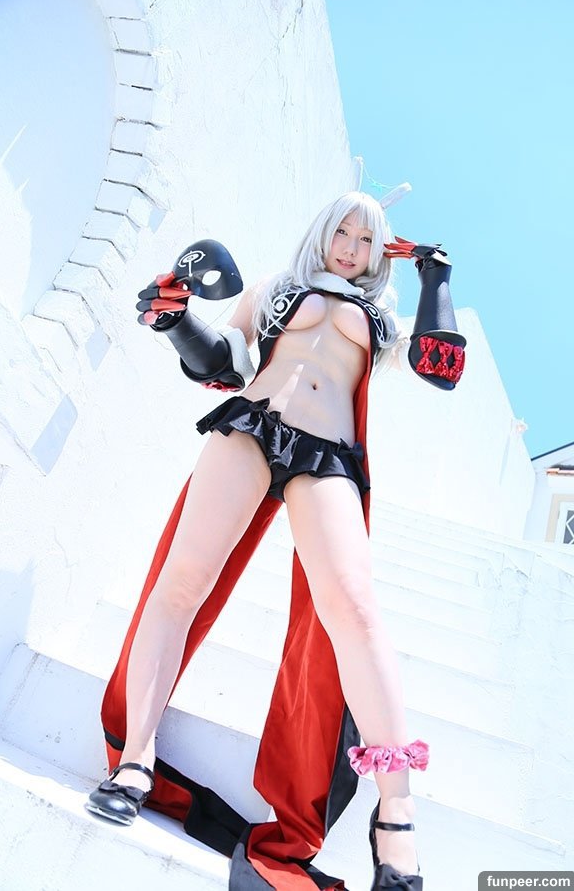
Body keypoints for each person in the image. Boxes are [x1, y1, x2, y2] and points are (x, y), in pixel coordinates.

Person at [85, 191, 465, 891]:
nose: (350, 248)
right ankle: (135, 758)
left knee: (355, 612)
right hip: (251, 429)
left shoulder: (382, 317)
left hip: (328, 456)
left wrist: (435, 276)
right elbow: (223, 361)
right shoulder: (276, 287)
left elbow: (442, 369)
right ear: (323, 231)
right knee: (181, 584)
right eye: (342, 231)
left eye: (366, 239)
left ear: (379, 249)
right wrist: (176, 320)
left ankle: (396, 813)